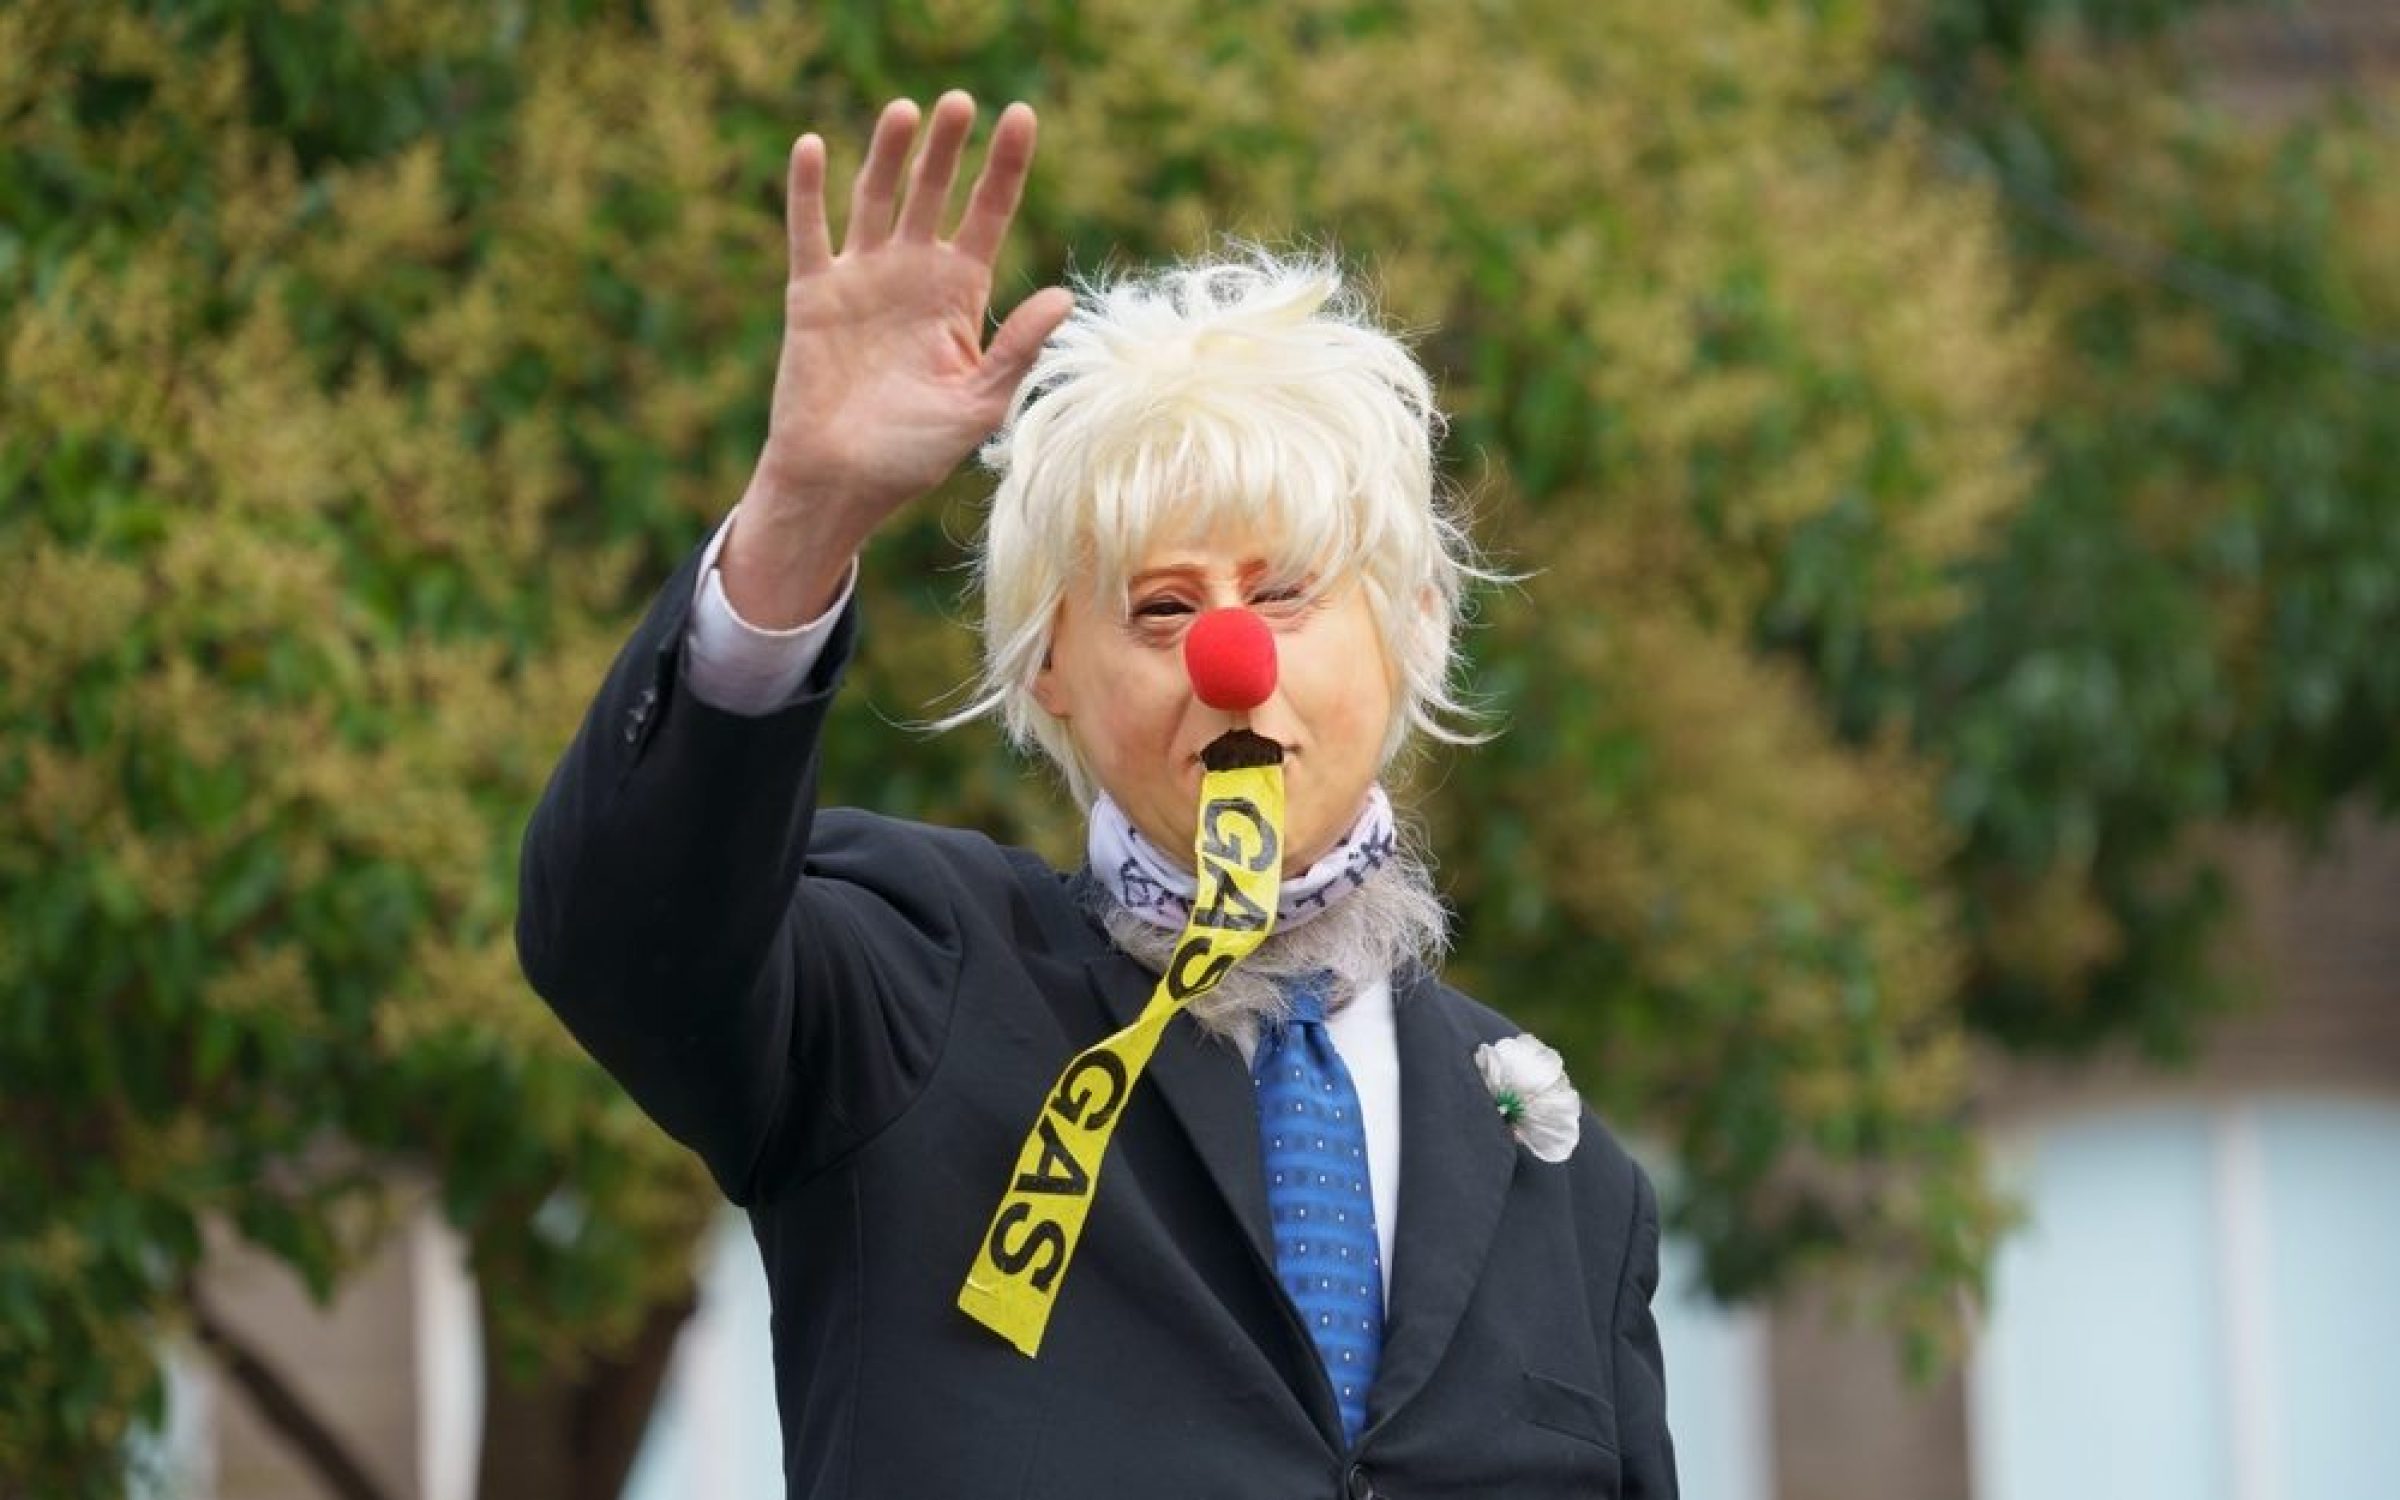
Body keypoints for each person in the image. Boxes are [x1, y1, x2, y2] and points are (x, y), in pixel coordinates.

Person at [517, 90, 1675, 1499]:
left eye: (1286, 590)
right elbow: (629, 940)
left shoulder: (1576, 1189)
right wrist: (800, 517)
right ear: (1051, 666)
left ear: (1413, 621)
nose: (1230, 658)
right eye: (1159, 608)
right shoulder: (909, 997)